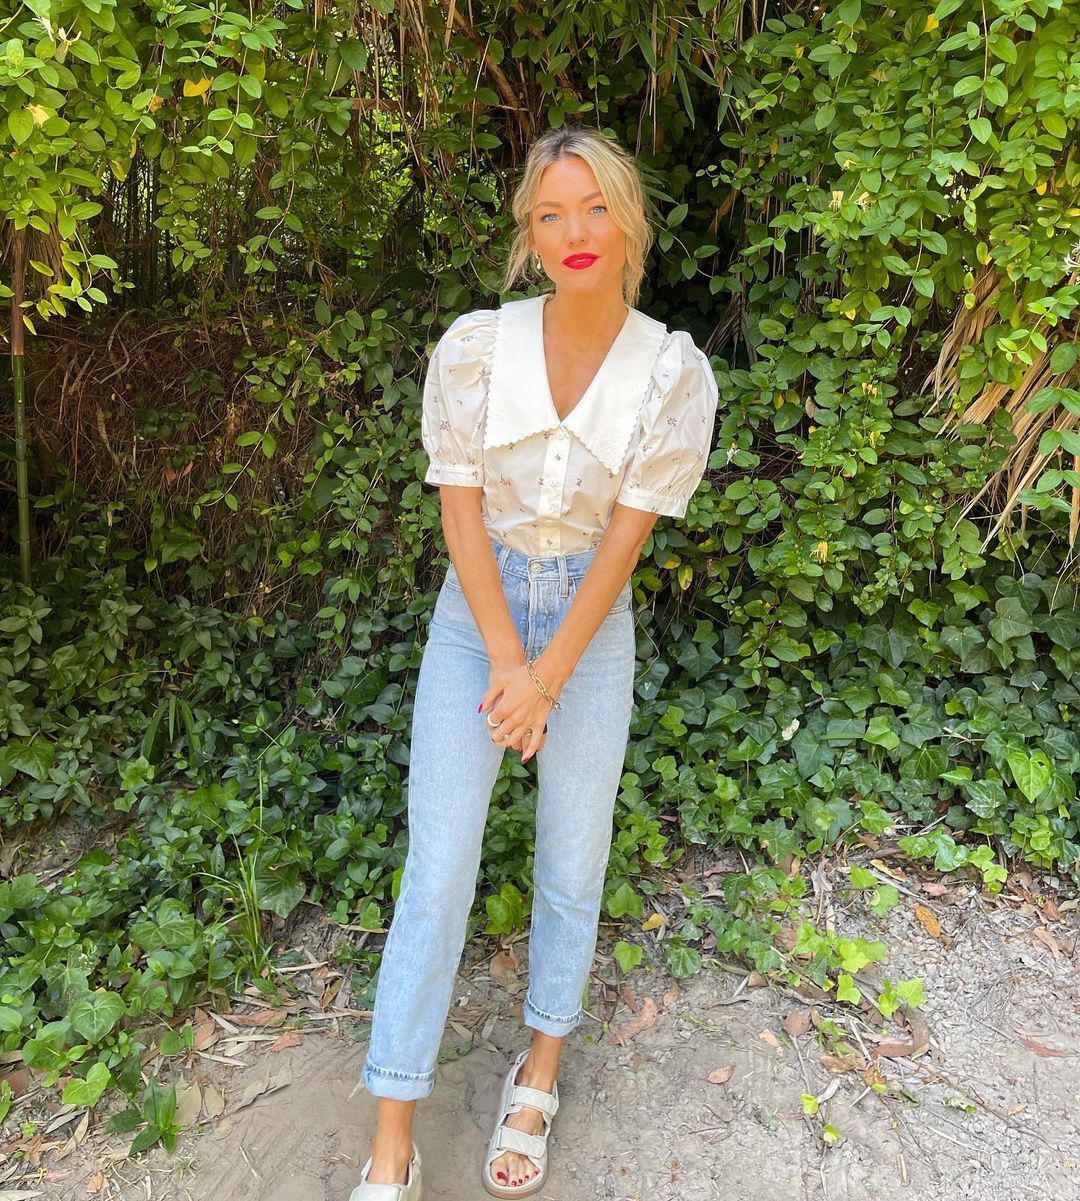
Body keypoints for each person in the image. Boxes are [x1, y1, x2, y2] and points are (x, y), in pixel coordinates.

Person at [348, 127, 718, 1201]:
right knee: (438, 871)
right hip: (478, 619)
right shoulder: (476, 348)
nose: (575, 232)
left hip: (588, 634)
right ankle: (392, 1138)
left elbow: (622, 547)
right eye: (552, 213)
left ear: (628, 221)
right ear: (529, 232)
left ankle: (540, 1072)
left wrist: (549, 675)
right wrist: (511, 663)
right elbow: (460, 513)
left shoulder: (669, 372)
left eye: (594, 207)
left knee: (571, 864)